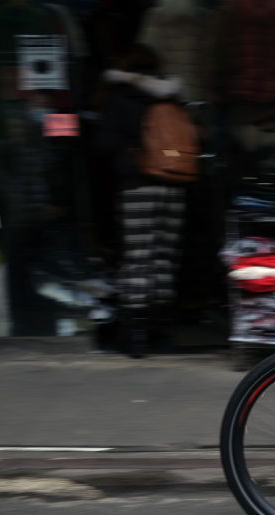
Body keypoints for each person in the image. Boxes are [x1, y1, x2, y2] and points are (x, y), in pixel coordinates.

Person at [96, 43, 189, 357]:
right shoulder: (170, 95)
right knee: (164, 258)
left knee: (138, 259)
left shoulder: (119, 97)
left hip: (137, 186)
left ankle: (136, 337)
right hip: (174, 183)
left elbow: (105, 143)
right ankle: (161, 333)